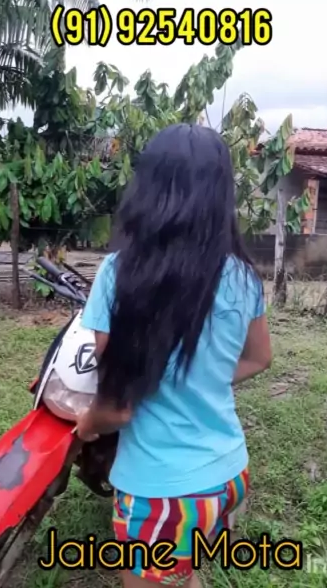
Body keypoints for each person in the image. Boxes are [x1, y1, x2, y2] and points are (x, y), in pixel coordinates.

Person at [75, 123, 272, 587]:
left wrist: (84, 426)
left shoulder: (120, 274)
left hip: (162, 494)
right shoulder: (243, 275)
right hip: (228, 475)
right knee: (186, 572)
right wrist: (200, 378)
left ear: (149, 188)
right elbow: (259, 358)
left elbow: (116, 407)